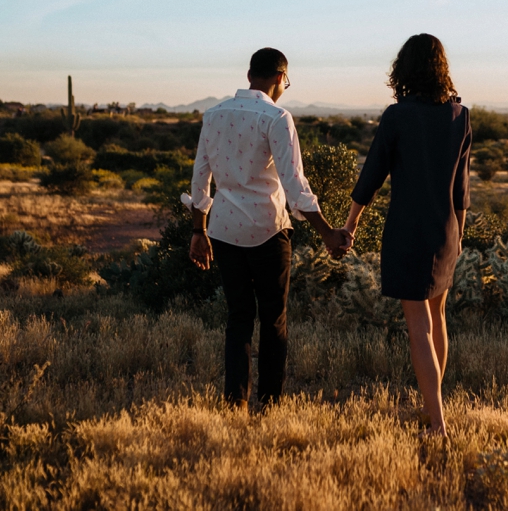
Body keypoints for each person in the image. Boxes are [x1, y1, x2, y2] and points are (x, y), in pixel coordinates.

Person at [183, 47, 351, 411]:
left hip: (224, 231)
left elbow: (200, 179)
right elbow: (294, 184)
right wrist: (326, 232)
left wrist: (199, 231)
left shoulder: (213, 115)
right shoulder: (277, 117)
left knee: (238, 318)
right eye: (285, 82)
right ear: (279, 78)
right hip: (269, 232)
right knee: (273, 318)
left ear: (248, 76)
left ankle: (235, 403)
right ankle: (271, 402)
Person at [343, 34, 471, 437]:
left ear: (403, 69)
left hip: (408, 232)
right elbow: (462, 189)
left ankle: (437, 423)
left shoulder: (397, 116)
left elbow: (371, 177)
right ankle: (433, 407)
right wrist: (459, 234)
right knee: (438, 317)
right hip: (447, 230)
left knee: (419, 326)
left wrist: (351, 223)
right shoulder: (460, 115)